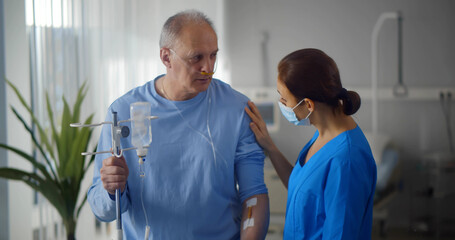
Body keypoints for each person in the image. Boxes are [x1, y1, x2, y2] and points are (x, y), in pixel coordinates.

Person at [88, 10, 269, 240]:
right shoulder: (123, 112)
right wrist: (113, 190)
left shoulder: (237, 109)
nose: (208, 67)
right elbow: (101, 210)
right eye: (197, 58)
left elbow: (253, 195)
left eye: (213, 55)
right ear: (166, 57)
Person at [245, 48, 377, 239]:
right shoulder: (323, 134)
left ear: (308, 105)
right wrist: (270, 147)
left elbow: (340, 234)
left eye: (284, 98)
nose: (281, 103)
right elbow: (302, 190)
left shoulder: (346, 161)